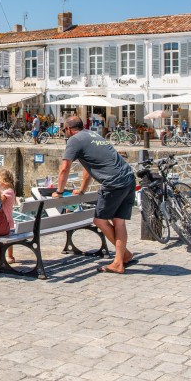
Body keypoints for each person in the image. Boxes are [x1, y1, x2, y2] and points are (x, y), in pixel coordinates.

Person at [53, 115, 135, 274]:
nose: (64, 133)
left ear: (69, 129)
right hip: (128, 177)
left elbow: (64, 167)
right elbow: (88, 169)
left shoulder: (74, 140)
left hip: (113, 182)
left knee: (99, 220)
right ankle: (122, 258)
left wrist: (59, 191)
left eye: (64, 129)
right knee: (119, 222)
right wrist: (82, 190)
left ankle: (121, 258)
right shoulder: (93, 135)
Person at [0, 169, 17, 264]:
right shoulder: (11, 191)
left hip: (5, 219)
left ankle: (6, 256)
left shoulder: (7, 192)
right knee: (8, 239)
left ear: (4, 182)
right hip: (8, 218)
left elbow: (0, 201)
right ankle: (9, 256)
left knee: (5, 240)